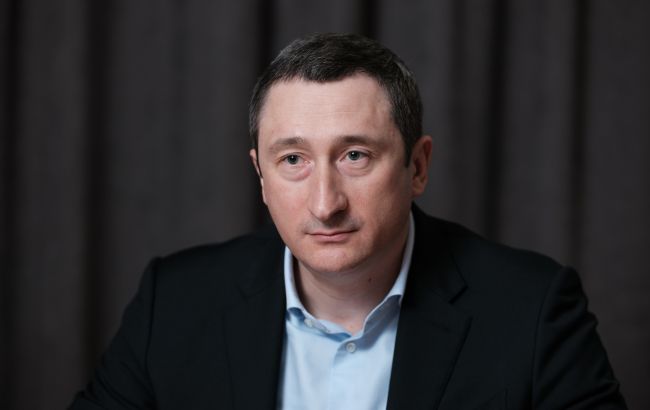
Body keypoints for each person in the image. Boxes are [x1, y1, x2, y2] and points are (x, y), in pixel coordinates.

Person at [70, 33, 626, 409]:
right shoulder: (173, 302)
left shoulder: (534, 311)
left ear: (417, 166)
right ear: (260, 175)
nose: (324, 203)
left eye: (355, 156)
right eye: (293, 160)